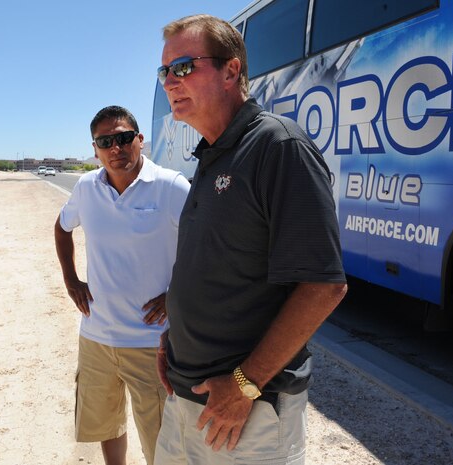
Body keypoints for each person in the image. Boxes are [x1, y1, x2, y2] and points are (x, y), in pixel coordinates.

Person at [154, 14, 348, 465]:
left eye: (183, 67)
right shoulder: (212, 155)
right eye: (164, 72)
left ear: (231, 69)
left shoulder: (278, 147)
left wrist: (244, 384)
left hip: (244, 413)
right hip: (185, 399)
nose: (169, 82)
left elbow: (324, 286)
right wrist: (176, 339)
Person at [54, 105, 191, 465]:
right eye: (105, 142)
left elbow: (210, 247)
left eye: (124, 138)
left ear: (140, 140)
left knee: (161, 442)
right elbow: (62, 226)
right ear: (95, 149)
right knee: (107, 427)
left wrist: (176, 296)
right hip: (97, 337)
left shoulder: (171, 187)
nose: (117, 148)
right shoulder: (86, 188)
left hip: (153, 342)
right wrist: (71, 281)